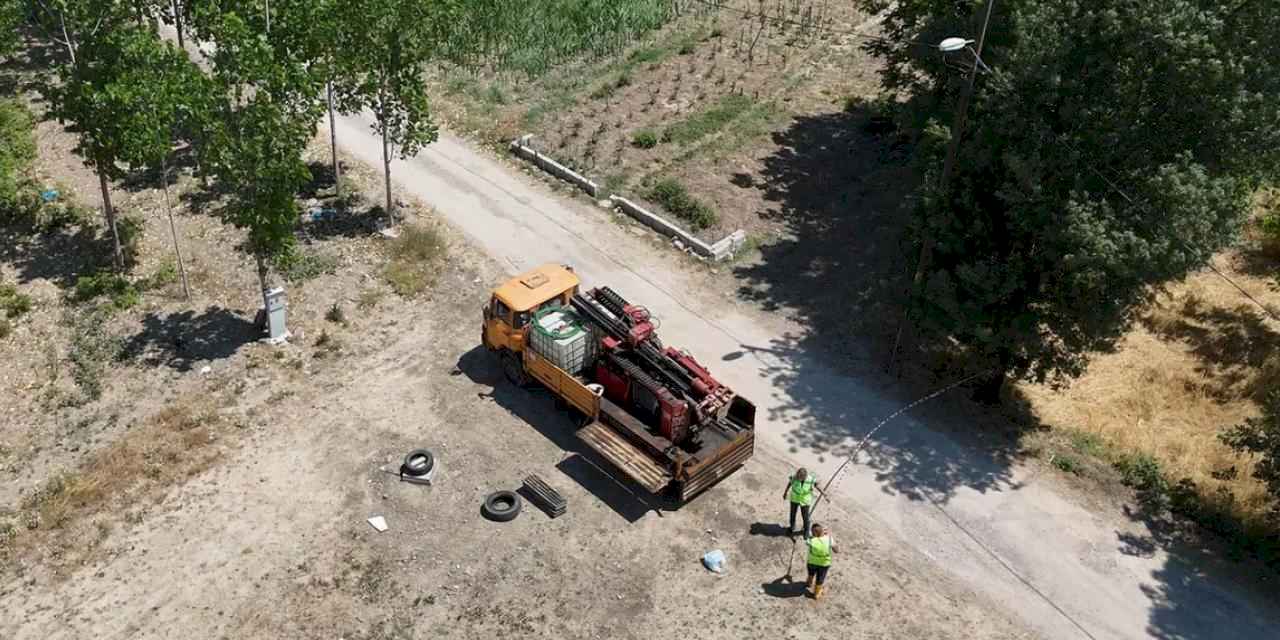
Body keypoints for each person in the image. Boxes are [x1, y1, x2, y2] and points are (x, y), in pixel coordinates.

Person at [783, 467, 822, 538]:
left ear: (804, 477)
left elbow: (816, 485)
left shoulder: (810, 479)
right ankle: (792, 527)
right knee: (792, 514)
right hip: (794, 499)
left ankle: (806, 531)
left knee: (805, 517)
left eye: (800, 477)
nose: (798, 478)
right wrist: (785, 492)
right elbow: (790, 483)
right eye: (798, 476)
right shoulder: (794, 477)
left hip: (805, 500)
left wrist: (823, 492)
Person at [806, 523, 837, 600]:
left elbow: (809, 539)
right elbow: (836, 550)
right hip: (824, 564)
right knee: (820, 578)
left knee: (811, 573)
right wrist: (826, 535)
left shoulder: (810, 540)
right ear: (822, 531)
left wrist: (815, 535)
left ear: (813, 533)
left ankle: (809, 583)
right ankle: (816, 594)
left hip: (812, 562)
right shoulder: (829, 539)